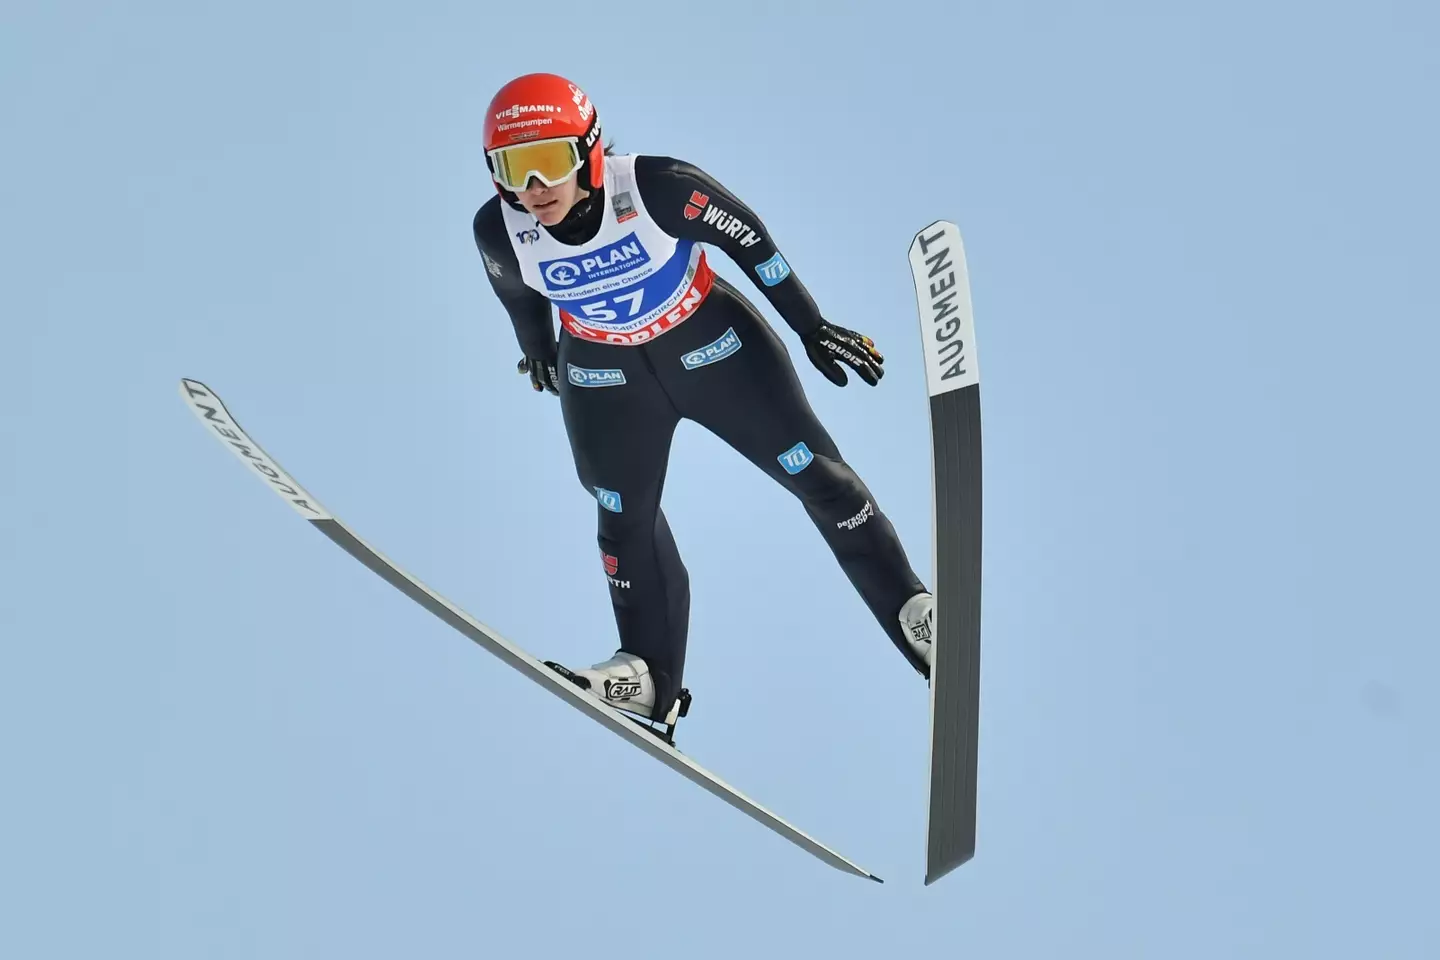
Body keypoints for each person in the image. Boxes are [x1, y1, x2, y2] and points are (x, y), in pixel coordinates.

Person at [473, 72, 934, 734]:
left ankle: (913, 612)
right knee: (621, 517)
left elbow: (752, 242)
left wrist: (811, 327)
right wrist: (539, 351)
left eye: (549, 161)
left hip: (714, 349)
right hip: (605, 375)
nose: (534, 187)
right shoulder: (499, 230)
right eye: (513, 169)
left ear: (590, 151)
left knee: (818, 477)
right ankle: (647, 676)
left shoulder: (658, 187)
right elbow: (517, 296)